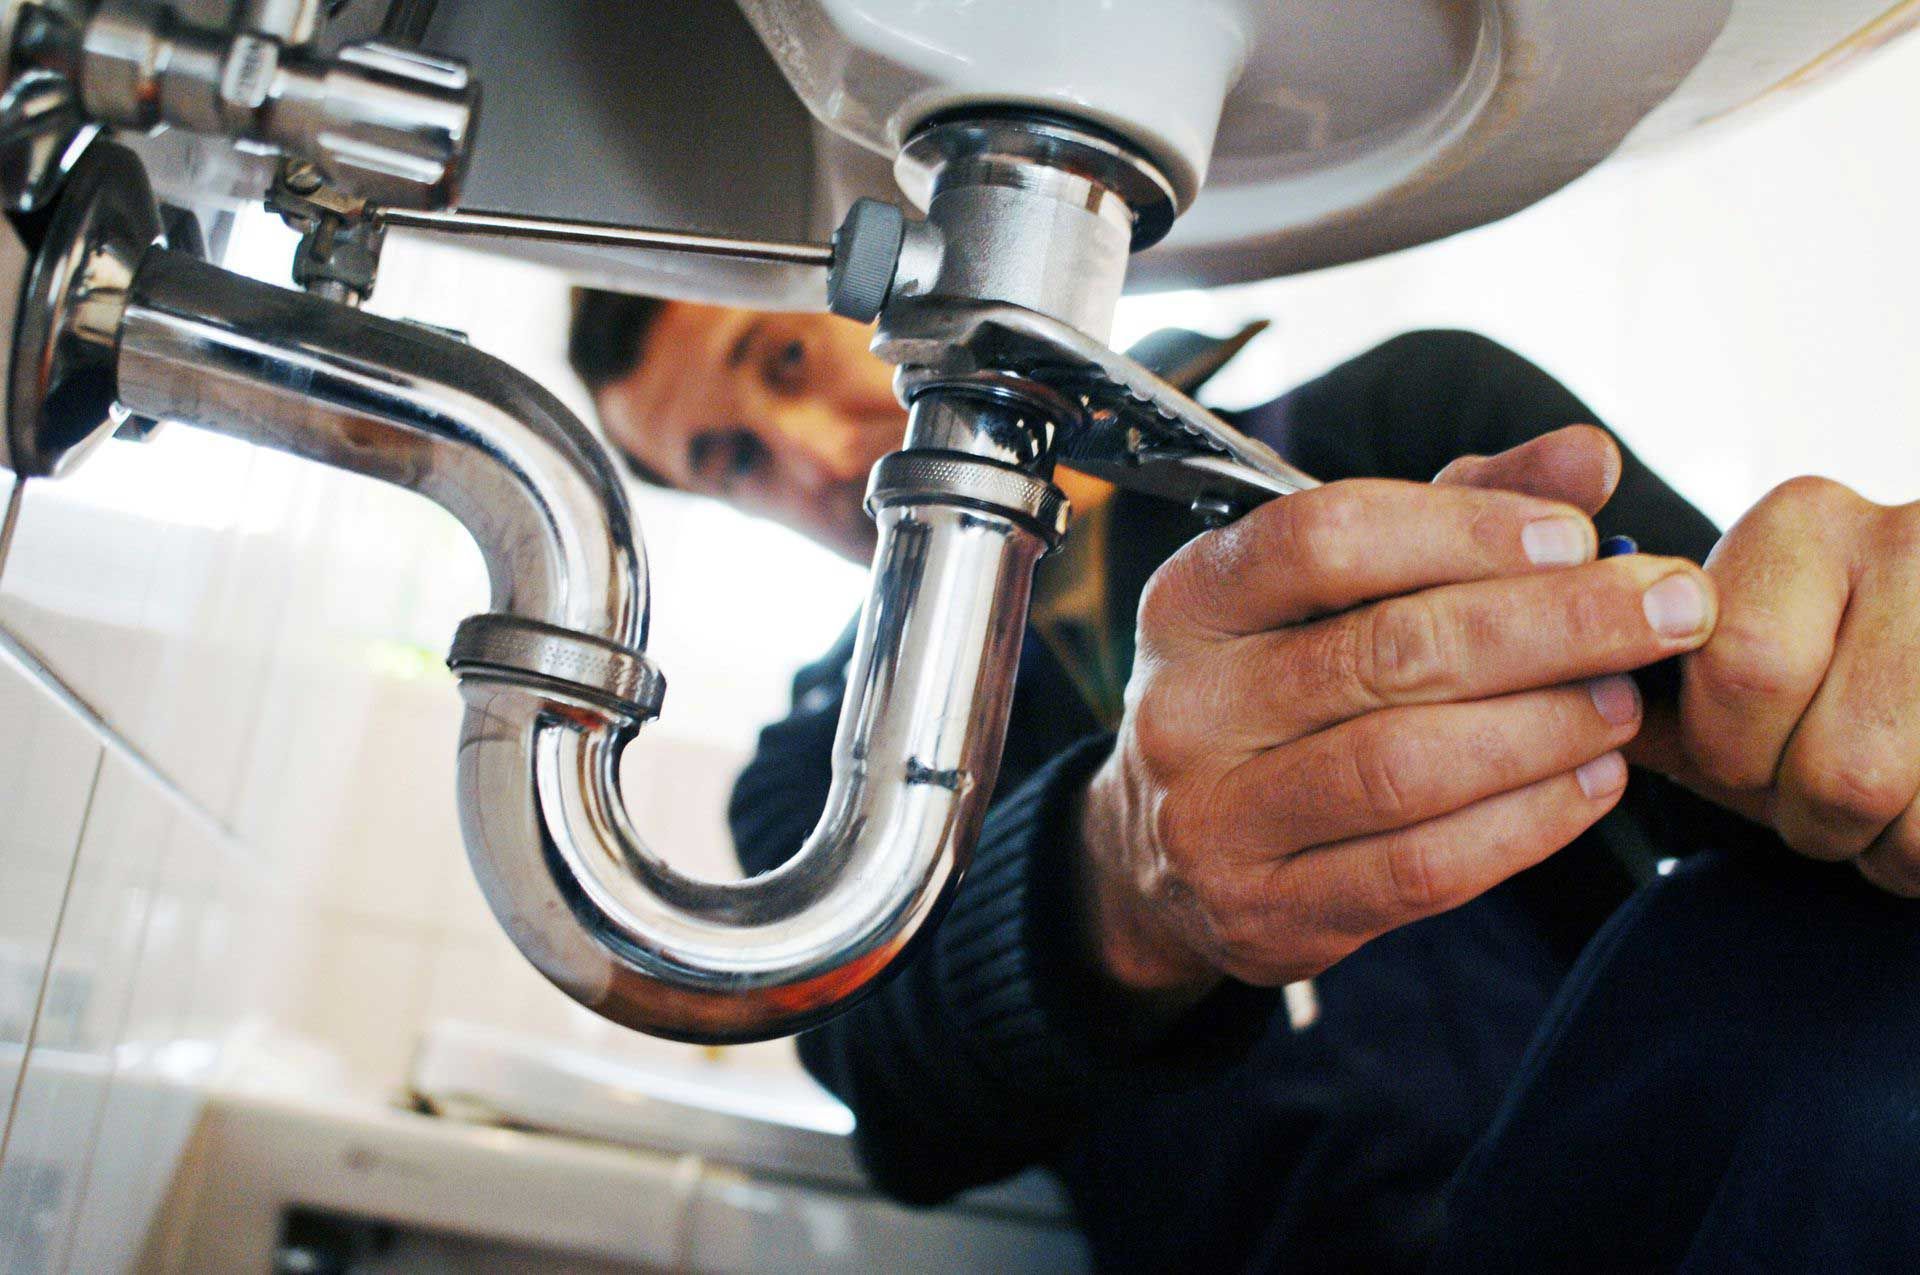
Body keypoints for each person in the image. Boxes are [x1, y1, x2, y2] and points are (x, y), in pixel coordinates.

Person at [569, 291, 1920, 1271]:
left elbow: (1792, 766)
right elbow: (904, 1103)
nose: (805, 454)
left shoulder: (1399, 429)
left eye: (787, 357)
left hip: (1672, 1206)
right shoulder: (825, 769)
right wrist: (1118, 882)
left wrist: (1854, 670)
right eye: (731, 461)